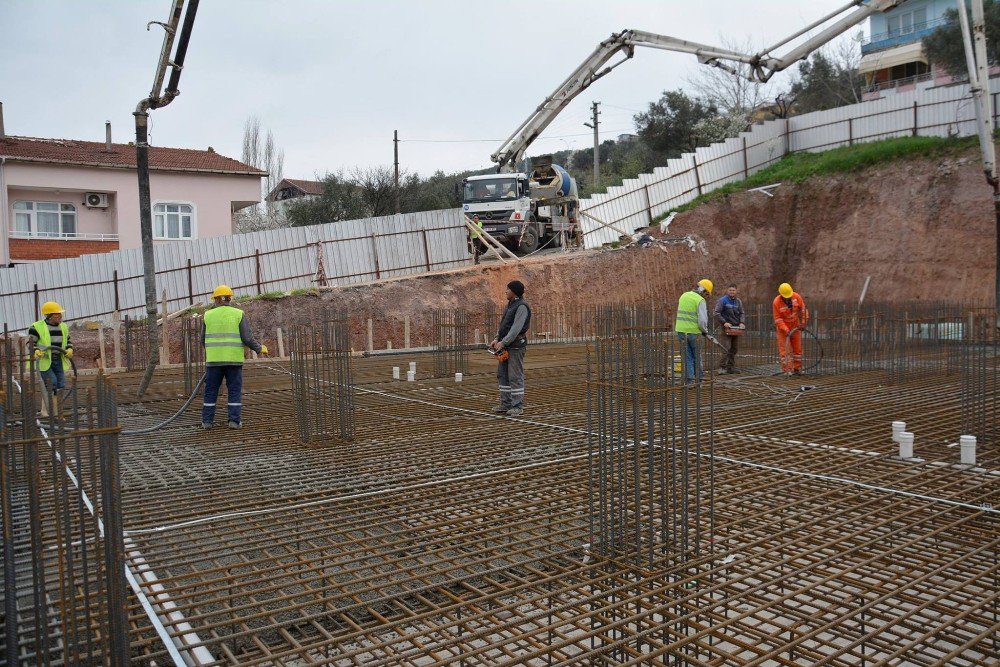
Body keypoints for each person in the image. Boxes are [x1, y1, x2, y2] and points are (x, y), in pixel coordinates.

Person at [201, 285, 267, 429]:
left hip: (213, 362)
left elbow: (202, 340)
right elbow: (247, 338)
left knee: (211, 390)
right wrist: (259, 348)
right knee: (234, 390)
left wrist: (214, 353)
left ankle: (207, 422)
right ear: (230, 298)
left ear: (216, 299)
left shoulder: (208, 315)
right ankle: (234, 421)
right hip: (234, 361)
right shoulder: (238, 313)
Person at [489, 280, 531, 417]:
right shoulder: (510, 305)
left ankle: (517, 406)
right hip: (506, 346)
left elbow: (516, 328)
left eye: (508, 289)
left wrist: (504, 342)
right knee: (503, 375)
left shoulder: (522, 307)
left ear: (514, 291)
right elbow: (504, 325)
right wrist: (496, 338)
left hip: (516, 346)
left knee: (515, 376)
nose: (505, 291)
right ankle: (505, 403)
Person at [28, 301, 73, 418]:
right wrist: (36, 350)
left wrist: (69, 349)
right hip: (44, 360)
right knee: (52, 383)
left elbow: (68, 341)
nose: (61, 316)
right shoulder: (37, 327)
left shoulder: (63, 326)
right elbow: (30, 342)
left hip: (58, 359)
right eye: (58, 314)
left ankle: (54, 412)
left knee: (60, 384)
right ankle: (48, 412)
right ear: (50, 315)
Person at [675, 279, 713, 384]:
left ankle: (689, 381)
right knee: (697, 356)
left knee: (687, 357)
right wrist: (704, 331)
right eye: (707, 294)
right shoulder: (700, 300)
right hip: (694, 333)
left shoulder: (683, 295)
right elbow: (702, 320)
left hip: (681, 331)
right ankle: (699, 380)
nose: (707, 296)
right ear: (704, 291)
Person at [772, 282, 809, 376]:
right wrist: (786, 329)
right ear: (781, 294)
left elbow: (804, 310)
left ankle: (797, 368)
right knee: (785, 350)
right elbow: (778, 319)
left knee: (798, 349)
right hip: (783, 329)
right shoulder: (776, 302)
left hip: (796, 326)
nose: (788, 297)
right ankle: (788, 370)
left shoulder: (796, 297)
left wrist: (803, 323)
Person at [714, 284, 745, 374]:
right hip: (726, 328)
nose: (732, 292)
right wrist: (724, 322)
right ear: (727, 291)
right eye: (730, 290)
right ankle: (722, 367)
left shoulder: (738, 301)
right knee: (725, 348)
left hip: (736, 328)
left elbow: (742, 313)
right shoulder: (722, 300)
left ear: (736, 291)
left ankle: (731, 367)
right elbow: (717, 313)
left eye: (733, 290)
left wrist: (742, 322)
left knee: (734, 348)